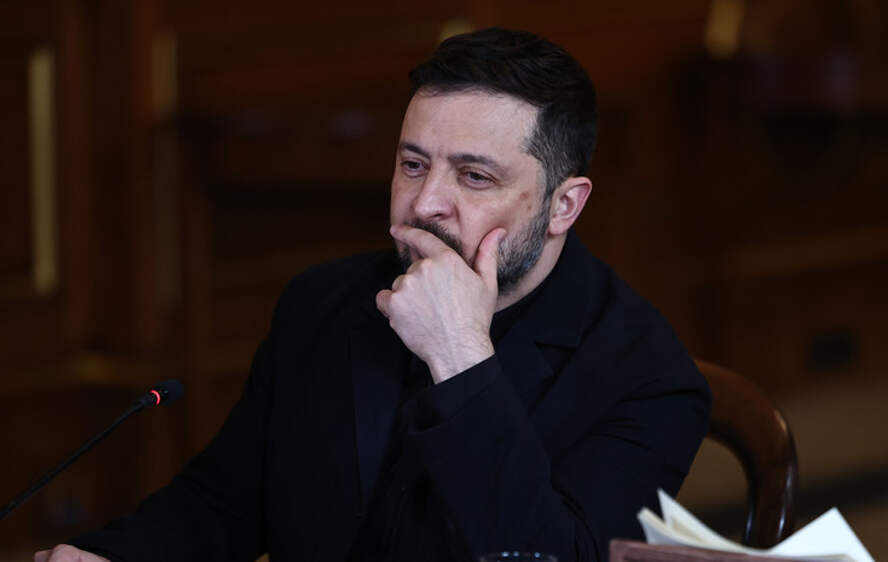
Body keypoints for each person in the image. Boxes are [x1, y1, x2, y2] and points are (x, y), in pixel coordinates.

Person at [35, 27, 710, 562]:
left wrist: (461, 356)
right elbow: (226, 501)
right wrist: (111, 556)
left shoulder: (646, 377)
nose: (425, 202)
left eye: (474, 177)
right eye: (413, 164)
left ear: (564, 205)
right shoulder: (322, 304)